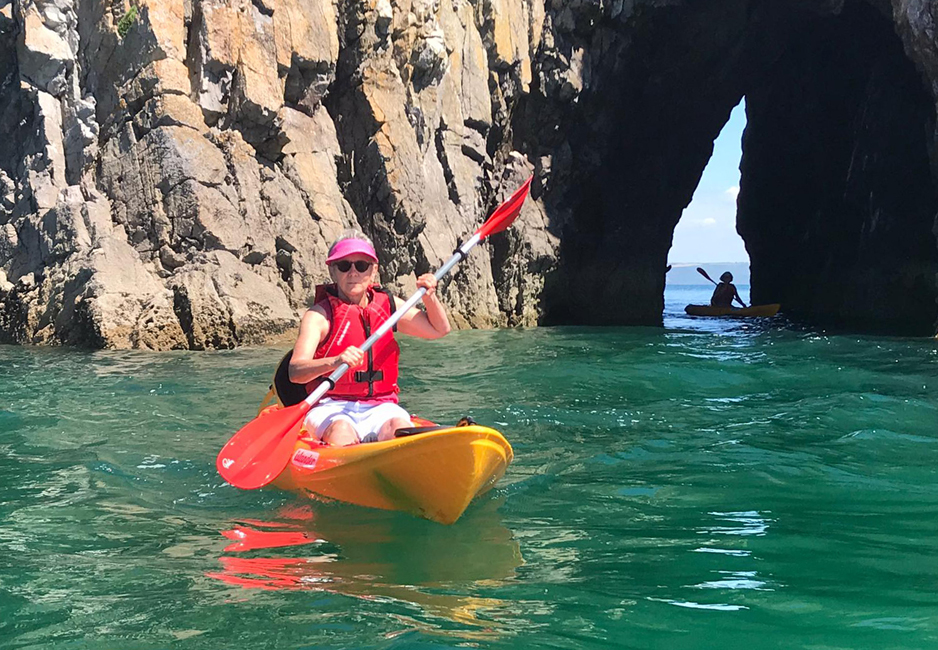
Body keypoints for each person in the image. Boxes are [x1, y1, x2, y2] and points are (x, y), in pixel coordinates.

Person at [288, 230, 451, 446]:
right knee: (341, 432)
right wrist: (335, 362)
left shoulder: (389, 306)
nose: (353, 272)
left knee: (398, 429)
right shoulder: (318, 316)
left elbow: (439, 330)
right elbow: (295, 372)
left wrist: (430, 298)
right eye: (344, 265)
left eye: (362, 266)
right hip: (332, 406)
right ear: (333, 271)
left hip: (381, 406)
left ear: (373, 270)